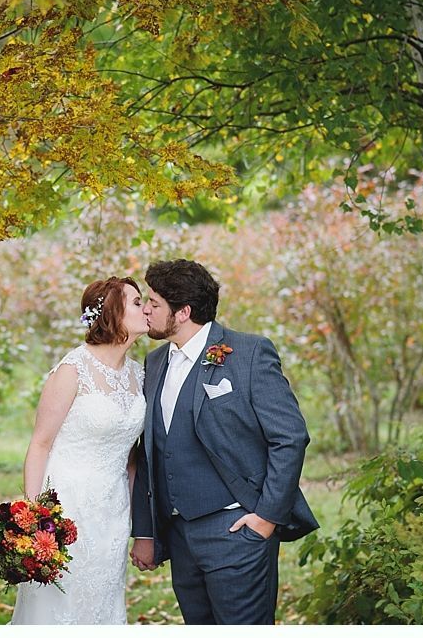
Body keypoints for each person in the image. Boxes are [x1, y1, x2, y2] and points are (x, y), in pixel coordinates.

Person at [129, 259, 319, 624]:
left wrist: (265, 518)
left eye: (153, 302)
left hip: (238, 531)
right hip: (180, 536)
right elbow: (150, 453)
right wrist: (146, 531)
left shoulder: (248, 353)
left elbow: (290, 437)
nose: (146, 309)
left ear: (183, 312)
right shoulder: (154, 363)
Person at [11, 277, 149, 624]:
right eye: (136, 302)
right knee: (60, 605)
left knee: (103, 602)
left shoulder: (140, 375)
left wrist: (136, 518)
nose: (146, 308)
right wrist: (35, 519)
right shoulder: (74, 369)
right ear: (112, 314)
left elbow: (131, 456)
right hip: (66, 504)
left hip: (114, 510)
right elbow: (40, 443)